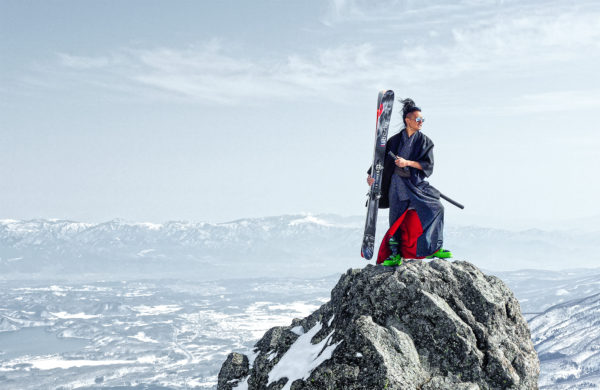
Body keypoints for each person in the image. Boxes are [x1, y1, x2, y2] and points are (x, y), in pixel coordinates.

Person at [367, 98, 451, 266]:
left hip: (416, 185)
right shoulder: (394, 141)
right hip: (396, 185)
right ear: (408, 120)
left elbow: (427, 166)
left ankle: (434, 248)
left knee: (437, 208)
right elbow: (380, 162)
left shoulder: (425, 141)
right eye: (418, 119)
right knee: (396, 220)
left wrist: (407, 163)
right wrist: (372, 177)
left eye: (422, 120)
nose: (421, 122)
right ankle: (395, 255)